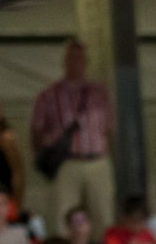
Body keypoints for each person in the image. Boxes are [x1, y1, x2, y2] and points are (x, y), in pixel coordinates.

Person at [32, 39, 116, 233]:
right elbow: (37, 131)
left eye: (81, 58)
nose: (76, 62)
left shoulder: (100, 93)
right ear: (65, 61)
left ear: (86, 62)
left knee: (102, 214)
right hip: (67, 162)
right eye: (72, 58)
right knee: (63, 214)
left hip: (97, 161)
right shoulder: (49, 95)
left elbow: (109, 128)